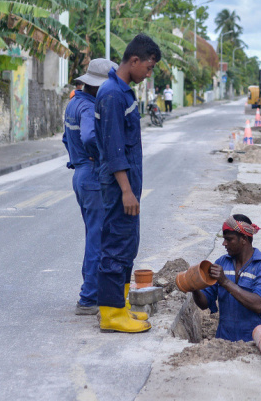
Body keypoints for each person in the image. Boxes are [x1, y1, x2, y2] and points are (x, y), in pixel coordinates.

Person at [94, 33, 161, 333]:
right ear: (134, 60)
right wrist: (126, 190)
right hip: (120, 188)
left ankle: (120, 308)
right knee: (116, 246)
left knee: (127, 245)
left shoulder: (122, 91)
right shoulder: (112, 94)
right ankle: (110, 314)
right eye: (148, 67)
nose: (148, 74)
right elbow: (113, 149)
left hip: (128, 187)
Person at [63, 59, 118, 316]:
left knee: (93, 235)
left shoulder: (73, 103)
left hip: (80, 173)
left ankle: (91, 291)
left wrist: (78, 159)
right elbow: (88, 136)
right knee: (98, 238)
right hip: (92, 174)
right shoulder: (87, 107)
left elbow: (67, 138)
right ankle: (88, 298)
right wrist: (100, 155)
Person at [192, 214, 261, 342]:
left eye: (229, 239)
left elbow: (259, 304)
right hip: (224, 343)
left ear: (244, 239)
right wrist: (194, 287)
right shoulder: (222, 263)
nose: (224, 243)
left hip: (254, 344)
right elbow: (204, 303)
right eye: (224, 239)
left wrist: (225, 282)